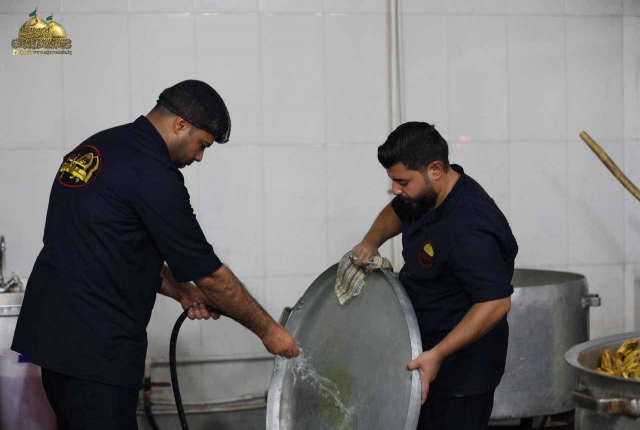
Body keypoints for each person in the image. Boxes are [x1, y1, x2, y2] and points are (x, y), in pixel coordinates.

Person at [12, 80, 300, 430]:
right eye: (202, 145)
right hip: (96, 354)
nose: (199, 157)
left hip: (53, 345)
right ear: (181, 124)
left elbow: (113, 247)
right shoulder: (154, 174)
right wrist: (270, 332)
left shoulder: (94, 148)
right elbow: (209, 274)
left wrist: (181, 291)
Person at [351, 122, 517, 430]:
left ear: (436, 169)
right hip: (422, 351)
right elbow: (396, 211)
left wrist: (438, 354)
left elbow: (496, 303)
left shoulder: (471, 228)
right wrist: (370, 241)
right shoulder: (424, 194)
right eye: (393, 181)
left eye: (402, 182)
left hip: (460, 377)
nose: (396, 189)